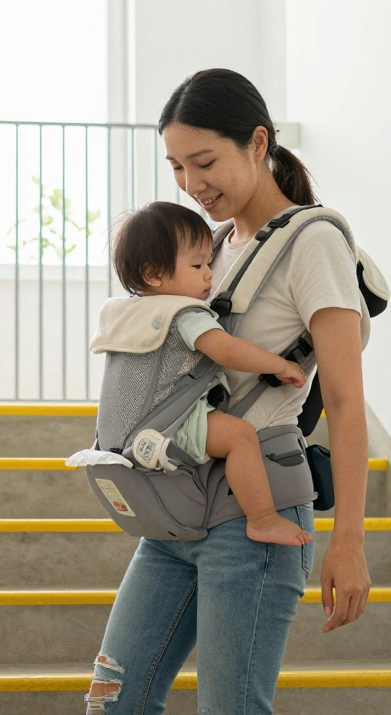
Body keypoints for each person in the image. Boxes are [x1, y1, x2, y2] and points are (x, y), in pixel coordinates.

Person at [85, 68, 373, 715]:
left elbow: (349, 402)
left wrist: (349, 542)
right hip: (176, 511)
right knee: (113, 701)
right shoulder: (209, 247)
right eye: (177, 167)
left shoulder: (315, 241)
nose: (191, 184)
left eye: (205, 161)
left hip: (254, 519)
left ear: (258, 143)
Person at [100, 200, 313, 547]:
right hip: (173, 425)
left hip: (126, 435)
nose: (209, 274)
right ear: (154, 273)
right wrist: (281, 364)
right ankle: (263, 519)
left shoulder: (123, 313)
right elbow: (227, 350)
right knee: (241, 437)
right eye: (197, 264)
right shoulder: (184, 313)